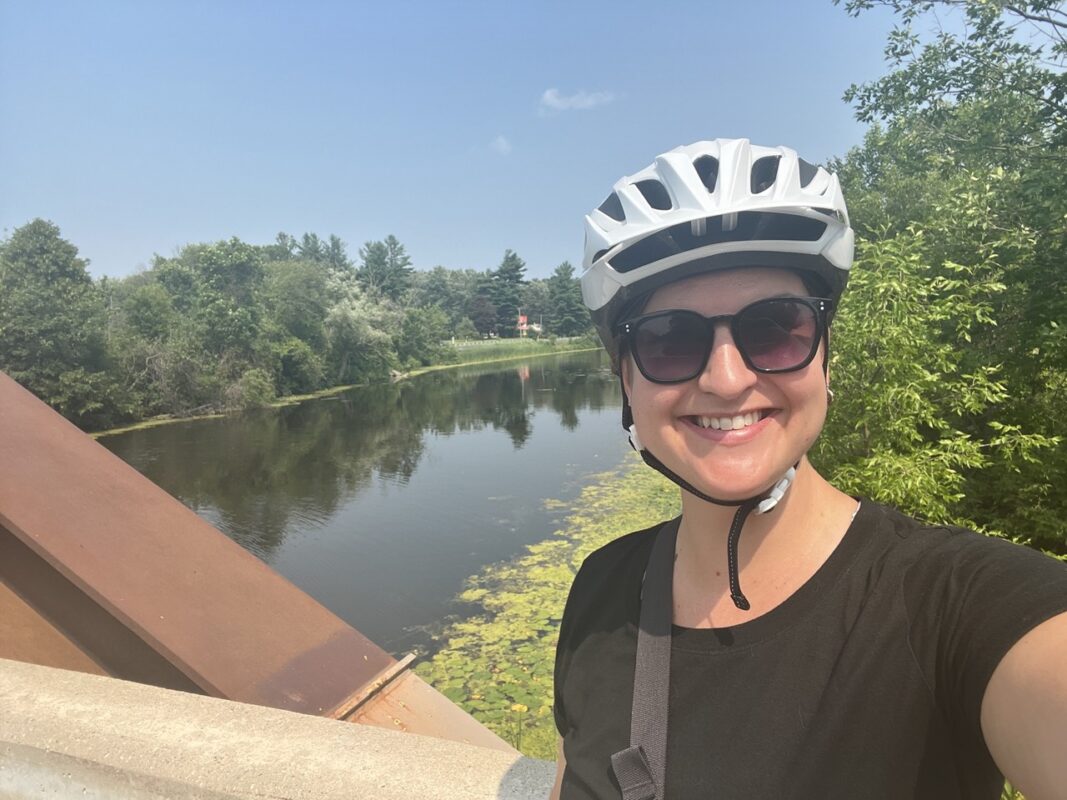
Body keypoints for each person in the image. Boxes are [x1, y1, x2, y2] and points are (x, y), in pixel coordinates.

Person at [550, 139, 1067, 800]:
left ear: (824, 356)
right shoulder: (600, 593)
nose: (727, 378)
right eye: (668, 340)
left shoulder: (955, 602)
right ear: (625, 381)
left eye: (773, 328)